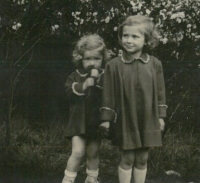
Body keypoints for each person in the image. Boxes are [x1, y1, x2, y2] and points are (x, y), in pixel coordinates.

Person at [100, 15, 167, 183]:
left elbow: (160, 91)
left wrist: (160, 116)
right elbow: (108, 94)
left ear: (146, 40)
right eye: (125, 35)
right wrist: (106, 119)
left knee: (143, 158)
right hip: (126, 119)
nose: (128, 40)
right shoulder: (114, 65)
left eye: (135, 36)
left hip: (148, 118)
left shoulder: (154, 64)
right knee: (128, 158)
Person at [62, 34, 111, 183]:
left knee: (93, 152)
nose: (92, 63)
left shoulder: (105, 76)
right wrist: (84, 85)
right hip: (78, 121)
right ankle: (68, 180)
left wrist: (99, 83)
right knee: (77, 152)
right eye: (88, 59)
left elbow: (109, 97)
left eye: (97, 59)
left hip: (96, 122)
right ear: (80, 59)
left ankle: (92, 179)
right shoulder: (75, 75)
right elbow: (69, 91)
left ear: (103, 59)